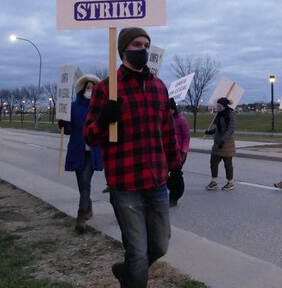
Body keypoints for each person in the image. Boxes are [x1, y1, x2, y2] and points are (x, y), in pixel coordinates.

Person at [83, 27, 181, 288]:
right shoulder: (107, 89)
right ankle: (133, 274)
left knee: (160, 245)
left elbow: (168, 133)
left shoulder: (159, 87)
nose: (143, 50)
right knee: (137, 251)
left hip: (157, 180)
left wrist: (176, 169)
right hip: (125, 183)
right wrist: (104, 120)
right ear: (123, 49)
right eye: (137, 44)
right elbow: (90, 136)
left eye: (147, 45)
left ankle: (127, 271)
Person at [58, 74, 103, 233]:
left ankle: (81, 215)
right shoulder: (73, 107)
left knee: (85, 180)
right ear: (82, 89)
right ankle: (88, 205)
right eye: (87, 88)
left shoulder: (99, 108)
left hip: (93, 151)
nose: (89, 91)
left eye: (92, 88)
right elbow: (69, 130)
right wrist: (63, 123)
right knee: (82, 184)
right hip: (77, 150)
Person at [204, 97, 236, 191]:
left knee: (228, 165)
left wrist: (223, 140)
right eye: (217, 106)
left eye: (219, 106)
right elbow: (219, 128)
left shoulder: (230, 114)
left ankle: (230, 182)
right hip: (217, 144)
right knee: (213, 163)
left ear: (224, 106)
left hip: (227, 145)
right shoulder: (219, 114)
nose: (217, 107)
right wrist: (210, 132)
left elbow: (231, 129)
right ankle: (214, 182)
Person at [167, 97, 190, 207]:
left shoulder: (181, 120)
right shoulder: (165, 119)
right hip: (165, 151)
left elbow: (186, 137)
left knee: (176, 175)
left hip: (178, 152)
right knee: (163, 175)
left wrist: (183, 152)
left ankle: (174, 197)